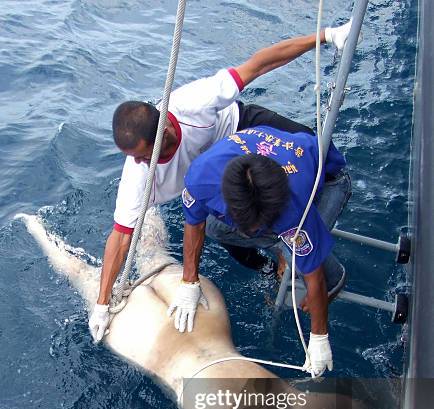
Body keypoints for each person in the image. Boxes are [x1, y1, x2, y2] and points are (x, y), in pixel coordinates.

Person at [89, 20, 353, 342]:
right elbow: (121, 237)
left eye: (147, 155)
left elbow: (260, 64)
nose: (141, 164)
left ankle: (299, 250)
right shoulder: (145, 176)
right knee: (219, 228)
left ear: (168, 131)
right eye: (136, 158)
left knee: (309, 170)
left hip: (245, 133)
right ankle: (273, 264)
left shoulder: (193, 103)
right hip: (219, 175)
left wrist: (325, 36)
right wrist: (103, 303)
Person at [167, 125, 347, 377]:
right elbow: (194, 224)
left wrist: (319, 338)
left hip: (329, 182)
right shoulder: (200, 179)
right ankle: (279, 249)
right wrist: (189, 283)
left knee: (301, 261)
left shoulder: (294, 210)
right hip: (263, 182)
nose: (253, 231)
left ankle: (335, 275)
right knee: (214, 229)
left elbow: (314, 275)